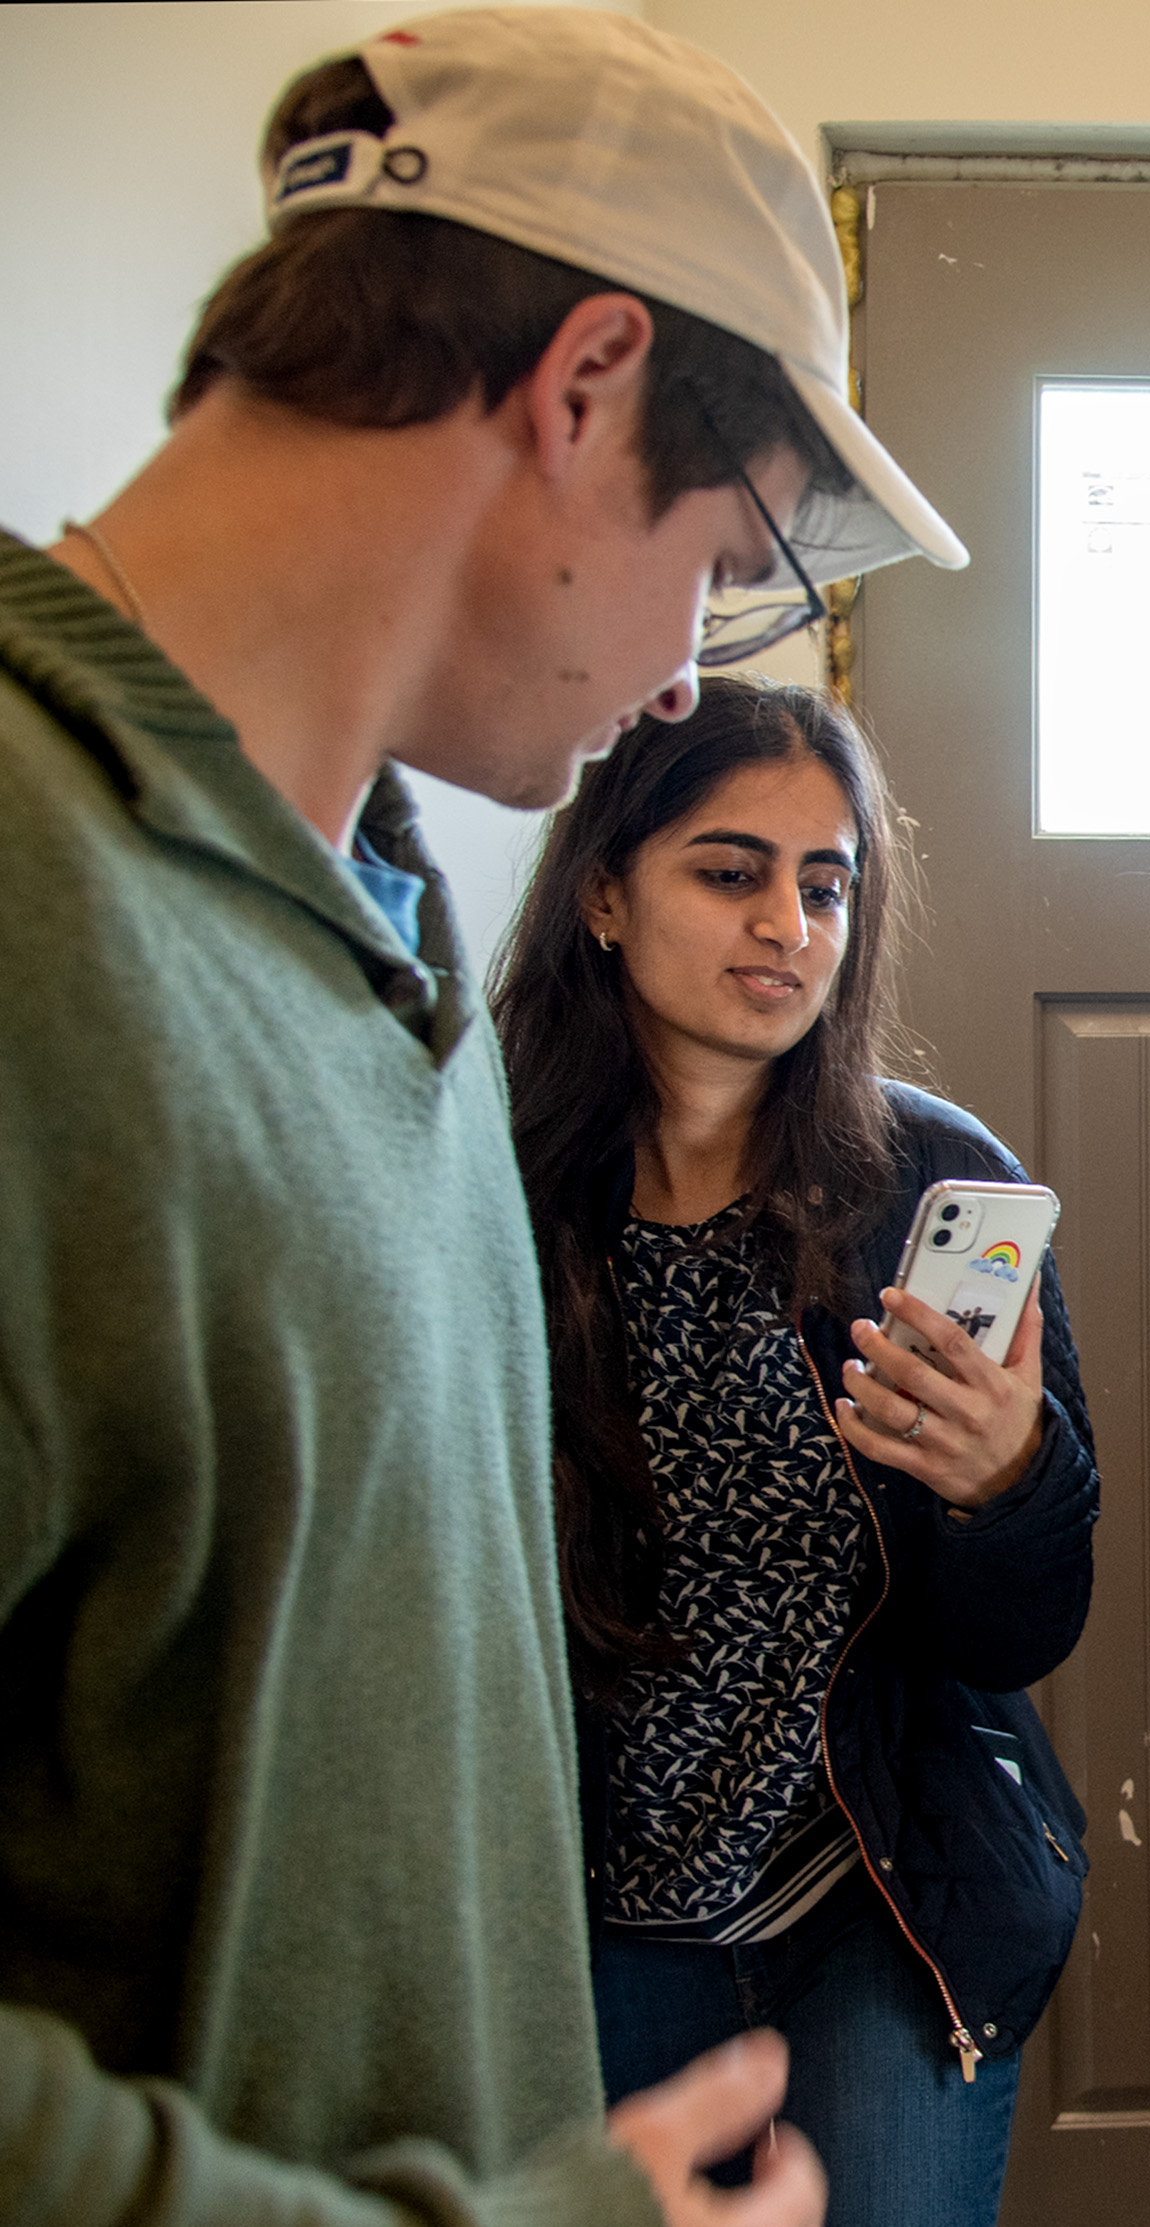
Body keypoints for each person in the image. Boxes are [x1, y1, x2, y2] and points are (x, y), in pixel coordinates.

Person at [0, 11, 970, 2224]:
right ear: (585, 382)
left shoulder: (387, 944)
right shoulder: (41, 902)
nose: (686, 672)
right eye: (723, 559)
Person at [488, 676, 1096, 2226]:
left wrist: (1006, 1486)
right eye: (730, 872)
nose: (789, 925)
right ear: (605, 894)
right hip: (582, 1913)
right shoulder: (482, 1179)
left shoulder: (934, 1185)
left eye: (826, 885)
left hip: (881, 1897)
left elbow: (1025, 1632)